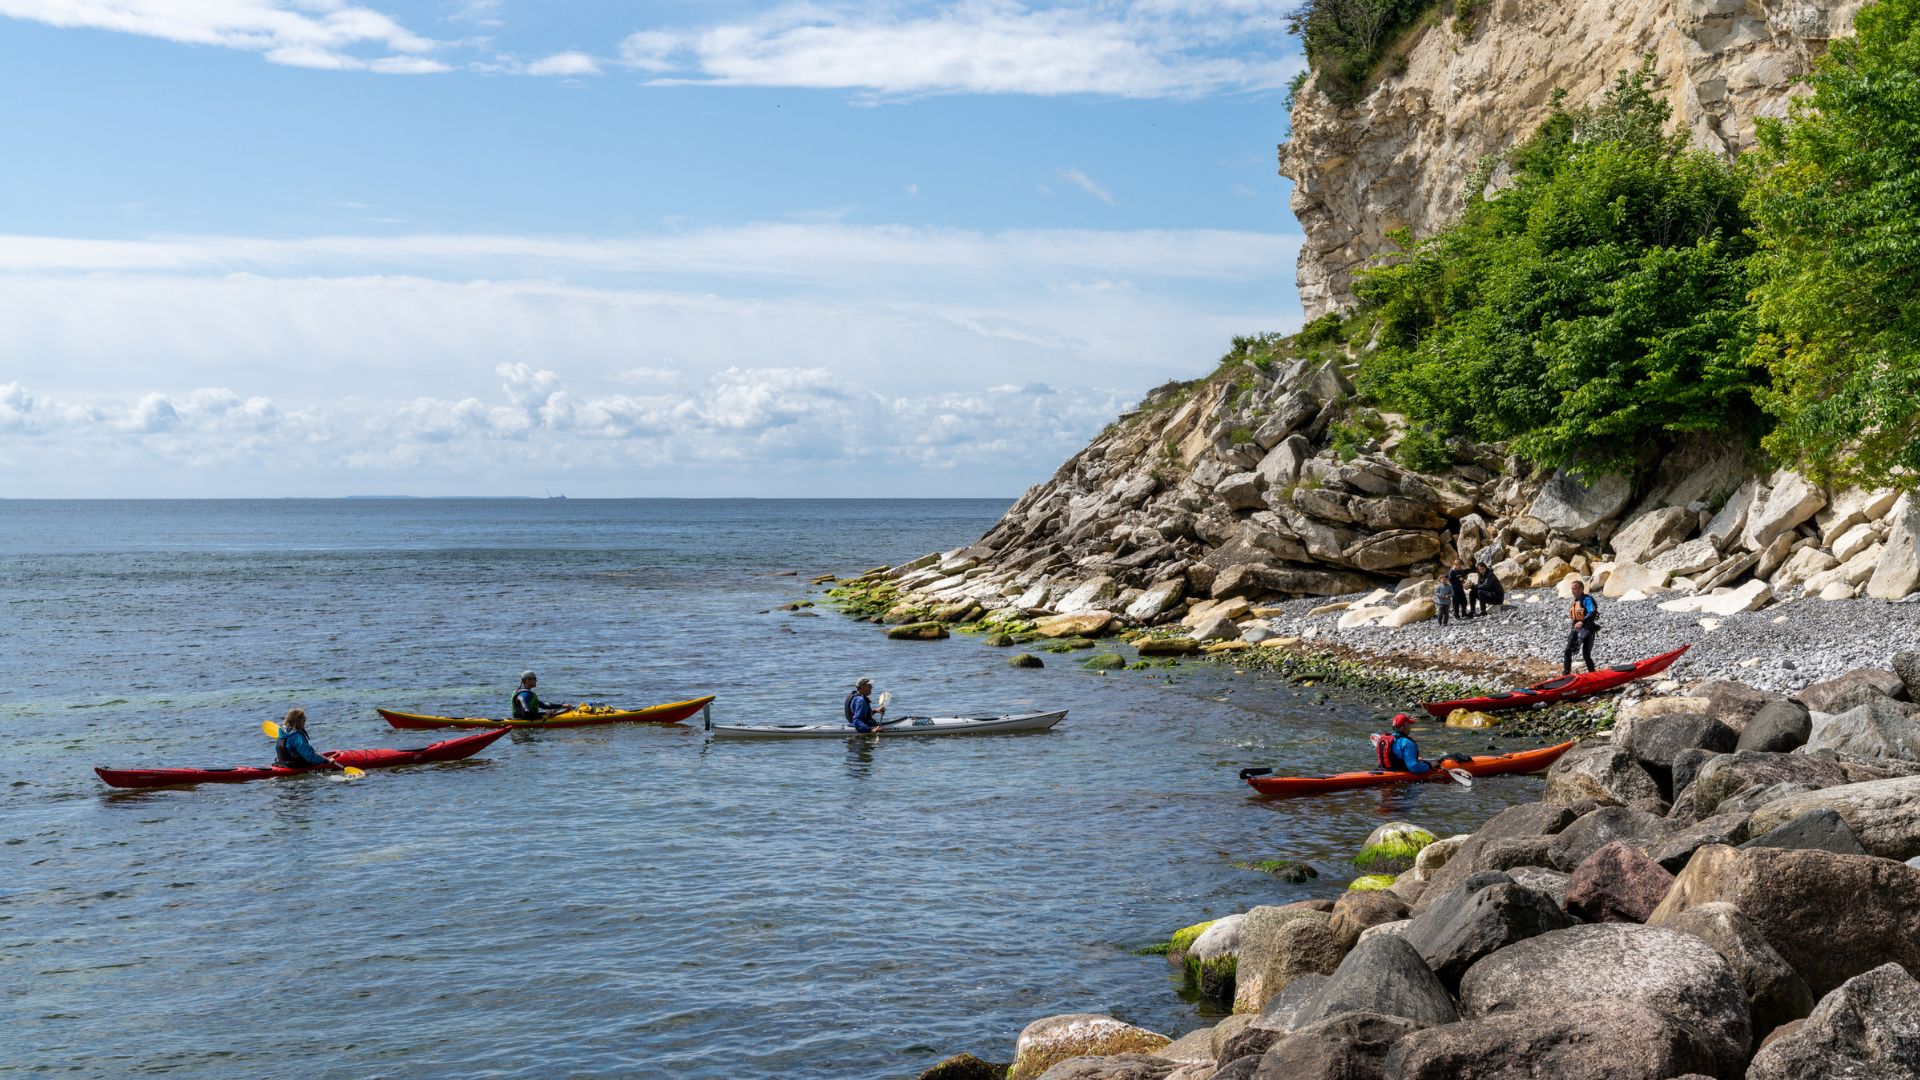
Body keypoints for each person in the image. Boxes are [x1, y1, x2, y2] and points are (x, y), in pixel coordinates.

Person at [1371, 713, 1444, 776]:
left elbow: (1394, 755)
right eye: (1409, 724)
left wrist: (1414, 759)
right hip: (1397, 773)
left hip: (1381, 770)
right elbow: (1414, 767)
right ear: (1404, 727)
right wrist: (1429, 766)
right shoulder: (1407, 743)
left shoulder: (1385, 739)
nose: (1410, 728)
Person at [274, 708, 342, 771]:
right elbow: (310, 757)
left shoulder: (282, 734)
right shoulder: (297, 737)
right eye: (304, 718)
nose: (305, 720)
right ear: (298, 721)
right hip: (295, 766)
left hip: (281, 763)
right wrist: (327, 761)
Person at [1563, 580, 1601, 675]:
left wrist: (1582, 621)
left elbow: (1592, 612)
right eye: (1572, 589)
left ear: (1581, 589)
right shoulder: (1576, 602)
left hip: (1588, 629)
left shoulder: (1587, 599)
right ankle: (1566, 673)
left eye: (1574, 589)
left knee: (1586, 655)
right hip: (1577, 629)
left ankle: (1593, 674)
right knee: (1568, 650)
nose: (1572, 591)